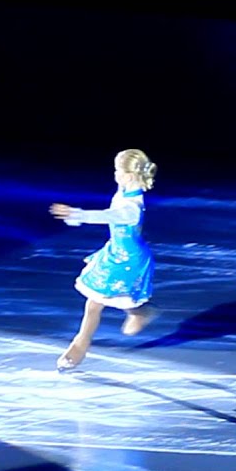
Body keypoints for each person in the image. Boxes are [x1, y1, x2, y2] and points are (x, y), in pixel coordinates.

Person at [48, 149, 159, 371]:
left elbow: (106, 216)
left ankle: (138, 313)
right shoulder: (124, 191)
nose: (115, 174)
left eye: (118, 171)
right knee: (95, 302)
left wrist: (75, 214)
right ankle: (80, 345)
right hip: (115, 251)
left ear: (129, 176)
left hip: (129, 259)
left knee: (104, 299)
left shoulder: (131, 207)